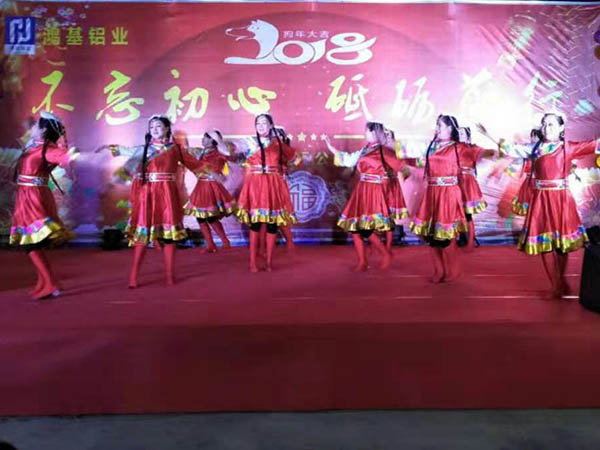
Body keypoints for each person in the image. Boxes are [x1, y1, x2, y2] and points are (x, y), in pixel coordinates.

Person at [479, 113, 600, 298]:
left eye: (551, 124)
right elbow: (512, 149)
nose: (546, 128)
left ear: (561, 128)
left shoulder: (568, 147)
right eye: (544, 124)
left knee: (561, 244)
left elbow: (594, 144)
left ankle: (561, 281)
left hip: (561, 200)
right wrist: (489, 135)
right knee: (546, 244)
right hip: (541, 201)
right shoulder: (534, 148)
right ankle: (555, 285)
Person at [96, 115, 200, 287]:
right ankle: (133, 276)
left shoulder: (175, 149)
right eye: (151, 127)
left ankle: (169, 275)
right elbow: (127, 155)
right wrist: (110, 148)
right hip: (148, 194)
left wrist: (212, 174)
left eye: (158, 126)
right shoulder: (144, 149)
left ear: (167, 128)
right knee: (142, 236)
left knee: (169, 237)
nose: (154, 130)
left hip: (167, 194)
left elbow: (194, 164)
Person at [410, 115, 495, 282]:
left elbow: (488, 153)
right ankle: (439, 270)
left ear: (450, 128)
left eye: (440, 125)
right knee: (430, 235)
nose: (437, 128)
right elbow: (420, 162)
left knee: (446, 235)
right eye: (436, 125)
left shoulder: (460, 148)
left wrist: (489, 138)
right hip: (432, 193)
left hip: (448, 194)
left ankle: (453, 270)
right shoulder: (432, 146)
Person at [9, 112, 78, 299]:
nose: (32, 128)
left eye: (36, 126)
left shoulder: (47, 149)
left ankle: (50, 283)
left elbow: (65, 158)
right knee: (34, 243)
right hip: (26, 195)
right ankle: (45, 282)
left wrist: (68, 149)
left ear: (44, 130)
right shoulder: (35, 146)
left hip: (34, 197)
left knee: (31, 243)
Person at [325, 122, 406, 271]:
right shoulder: (364, 150)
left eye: (367, 131)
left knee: (366, 228)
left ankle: (385, 253)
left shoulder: (384, 150)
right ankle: (362, 261)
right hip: (362, 190)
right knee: (355, 228)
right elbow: (348, 159)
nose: (365, 133)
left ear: (374, 133)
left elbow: (400, 165)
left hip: (374, 192)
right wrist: (331, 147)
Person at [231, 114, 298, 272]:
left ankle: (269, 261)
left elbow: (293, 157)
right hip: (256, 185)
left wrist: (284, 170)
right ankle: (253, 262)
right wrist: (219, 142)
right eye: (258, 123)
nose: (261, 126)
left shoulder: (278, 143)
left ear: (271, 125)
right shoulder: (250, 142)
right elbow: (230, 148)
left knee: (272, 224)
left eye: (264, 123)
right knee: (255, 223)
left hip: (273, 185)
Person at [183, 130, 235, 253]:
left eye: (206, 138)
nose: (203, 140)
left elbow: (228, 156)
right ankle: (210, 245)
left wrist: (219, 141)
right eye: (203, 137)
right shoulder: (200, 152)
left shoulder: (220, 153)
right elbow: (186, 151)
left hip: (211, 187)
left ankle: (225, 242)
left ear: (213, 140)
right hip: (201, 186)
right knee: (200, 217)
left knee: (211, 217)